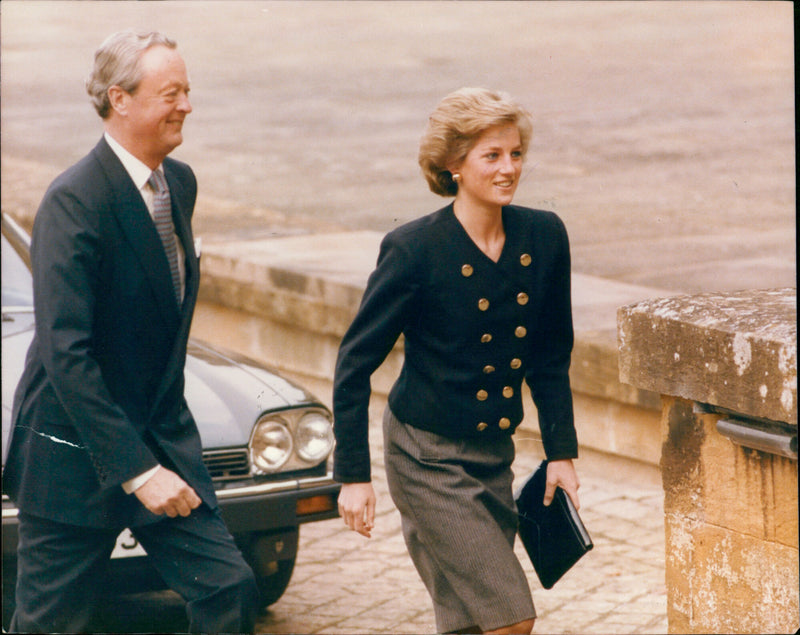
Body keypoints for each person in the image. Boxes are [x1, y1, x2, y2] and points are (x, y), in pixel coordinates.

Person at [2, 30, 259, 633]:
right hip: (74, 457)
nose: (187, 106)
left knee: (231, 589)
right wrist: (137, 471)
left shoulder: (180, 184)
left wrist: (158, 458)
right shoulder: (72, 202)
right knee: (51, 624)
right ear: (120, 99)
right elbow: (68, 354)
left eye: (188, 91)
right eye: (172, 93)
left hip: (163, 444)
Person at [333, 87, 581, 635]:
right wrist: (353, 475)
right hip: (427, 458)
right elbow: (354, 364)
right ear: (453, 165)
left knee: (467, 623)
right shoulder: (414, 249)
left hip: (493, 453)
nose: (509, 168)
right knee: (510, 618)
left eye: (515, 153)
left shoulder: (544, 235)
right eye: (491, 156)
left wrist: (562, 453)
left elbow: (549, 355)